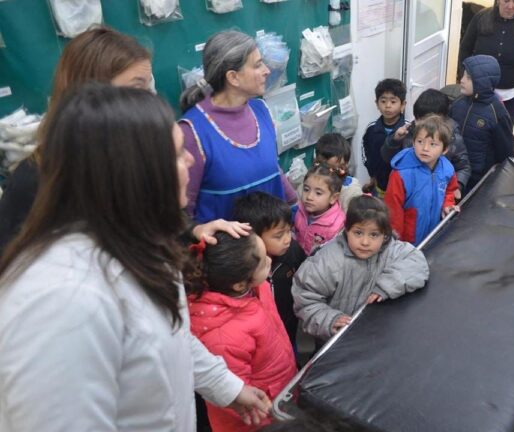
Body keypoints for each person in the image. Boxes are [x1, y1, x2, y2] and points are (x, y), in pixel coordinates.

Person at [0, 84, 270, 430]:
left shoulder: (141, 248)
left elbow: (169, 335)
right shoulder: (63, 300)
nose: (189, 159)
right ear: (133, 173)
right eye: (175, 154)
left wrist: (226, 386)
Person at [0, 26, 154, 253]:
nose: (150, 99)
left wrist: (192, 230)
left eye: (148, 87)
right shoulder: (36, 180)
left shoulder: (132, 155)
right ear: (90, 93)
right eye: (137, 88)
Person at [179, 30, 295, 223]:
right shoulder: (192, 131)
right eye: (258, 65)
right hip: (229, 251)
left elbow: (272, 171)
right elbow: (183, 214)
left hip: (273, 245)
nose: (267, 70)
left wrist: (295, 206)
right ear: (233, 77)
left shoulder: (261, 110)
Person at [187, 232, 297, 431]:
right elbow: (237, 400)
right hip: (259, 417)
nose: (270, 260)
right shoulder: (222, 337)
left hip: (280, 393)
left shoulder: (256, 288)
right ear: (239, 284)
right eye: (263, 262)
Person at [292, 195, 429, 340]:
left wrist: (387, 285)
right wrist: (329, 320)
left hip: (376, 334)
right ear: (346, 230)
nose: (365, 242)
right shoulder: (326, 261)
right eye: (358, 233)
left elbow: (416, 262)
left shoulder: (390, 249)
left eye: (374, 234)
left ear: (385, 235)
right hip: (335, 341)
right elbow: (305, 299)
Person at [233, 191, 307, 348]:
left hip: (288, 323)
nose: (288, 239)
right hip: (260, 336)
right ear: (253, 236)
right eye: (279, 236)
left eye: (289, 231)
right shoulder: (244, 269)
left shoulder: (293, 251)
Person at [458, 0, 514, 126]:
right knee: (475, 130)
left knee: (503, 132)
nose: (510, 6)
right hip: (478, 91)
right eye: (506, 1)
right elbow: (465, 49)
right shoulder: (480, 18)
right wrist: (466, 76)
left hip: (513, 94)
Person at [384, 115, 460, 244]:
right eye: (420, 142)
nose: (425, 148)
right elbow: (393, 210)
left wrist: (447, 205)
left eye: (433, 144)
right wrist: (396, 242)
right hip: (407, 241)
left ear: (445, 149)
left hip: (434, 234)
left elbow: (450, 190)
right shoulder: (402, 173)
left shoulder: (447, 169)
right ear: (413, 142)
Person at [381, 88, 471, 196]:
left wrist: (457, 186)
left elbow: (464, 167)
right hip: (411, 194)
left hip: (438, 194)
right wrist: (394, 140)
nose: (420, 124)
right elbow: (387, 159)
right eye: (418, 118)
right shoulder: (409, 131)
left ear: (442, 119)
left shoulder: (453, 138)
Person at [450, 54, 514, 190]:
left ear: (482, 82)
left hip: (478, 178)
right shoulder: (458, 103)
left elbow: (505, 152)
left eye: (468, 78)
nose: (461, 80)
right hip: (453, 170)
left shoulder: (497, 112)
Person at [362, 78, 407, 195]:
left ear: (403, 104)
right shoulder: (371, 128)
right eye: (383, 101)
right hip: (379, 184)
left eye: (393, 102)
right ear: (376, 104)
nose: (387, 106)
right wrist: (372, 173)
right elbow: (365, 150)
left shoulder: (408, 129)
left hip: (402, 185)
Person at [294, 163, 346, 255]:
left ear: (333, 198)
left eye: (318, 193)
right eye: (306, 189)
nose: (309, 197)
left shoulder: (337, 225)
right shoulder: (299, 209)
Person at [314, 133, 363, 211]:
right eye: (323, 169)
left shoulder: (351, 191)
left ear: (345, 166)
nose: (328, 174)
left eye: (335, 169)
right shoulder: (312, 182)